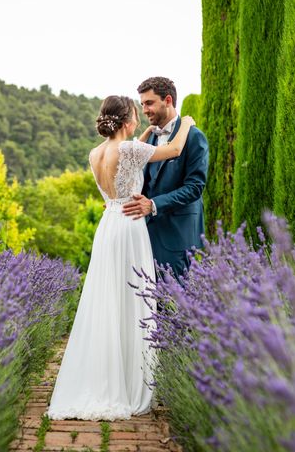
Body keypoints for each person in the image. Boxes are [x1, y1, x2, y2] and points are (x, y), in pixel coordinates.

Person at [46, 95, 195, 421]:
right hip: (130, 228)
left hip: (109, 225)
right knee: (132, 298)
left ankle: (105, 375)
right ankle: (128, 382)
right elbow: (174, 150)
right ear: (126, 120)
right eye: (135, 116)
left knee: (108, 298)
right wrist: (186, 123)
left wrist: (136, 137)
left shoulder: (96, 153)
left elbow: (131, 153)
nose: (139, 121)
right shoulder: (129, 150)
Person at [122, 77, 209, 278]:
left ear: (167, 100)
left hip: (177, 237)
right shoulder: (150, 137)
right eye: (142, 104)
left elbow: (195, 187)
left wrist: (153, 204)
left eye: (149, 103)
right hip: (143, 236)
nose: (144, 110)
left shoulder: (194, 137)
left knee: (174, 304)